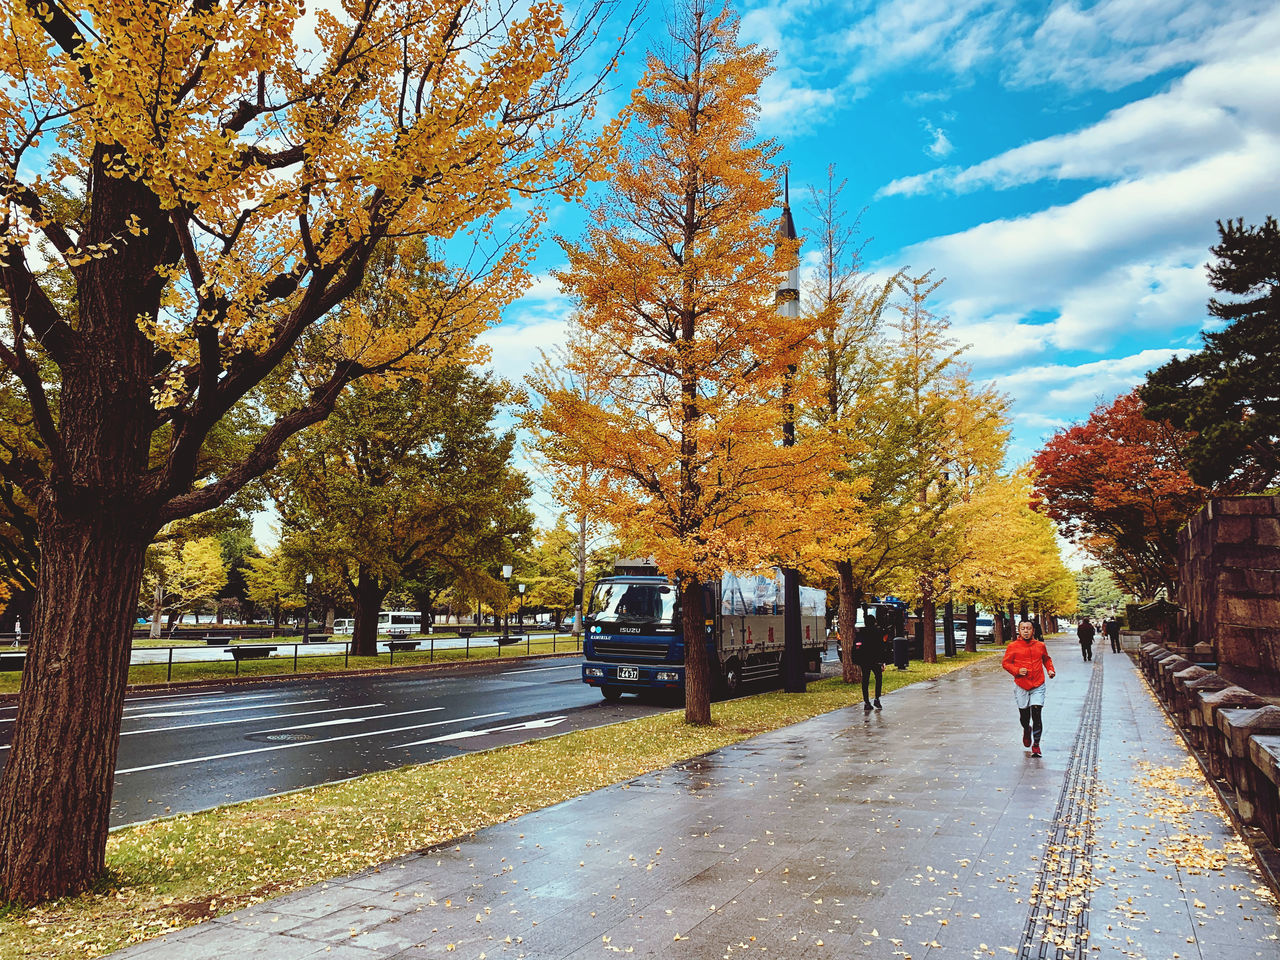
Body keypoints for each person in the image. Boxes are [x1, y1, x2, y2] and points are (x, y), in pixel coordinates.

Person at [1002, 618, 1056, 757]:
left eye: (1029, 628)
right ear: (1019, 631)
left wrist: (1050, 670)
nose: (1026, 631)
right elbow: (1006, 663)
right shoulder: (1013, 646)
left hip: (1038, 683)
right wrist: (1017, 670)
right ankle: (1026, 728)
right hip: (1021, 684)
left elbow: (1046, 659)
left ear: (1033, 630)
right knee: (1024, 716)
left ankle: (1036, 744)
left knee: (1037, 713)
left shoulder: (1040, 645)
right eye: (1023, 628)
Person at [854, 613, 886, 712]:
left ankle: (866, 702)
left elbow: (856, 646)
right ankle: (877, 698)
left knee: (865, 680)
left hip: (864, 660)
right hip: (875, 660)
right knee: (878, 678)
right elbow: (881, 648)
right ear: (874, 622)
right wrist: (882, 661)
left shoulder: (861, 633)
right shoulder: (877, 632)